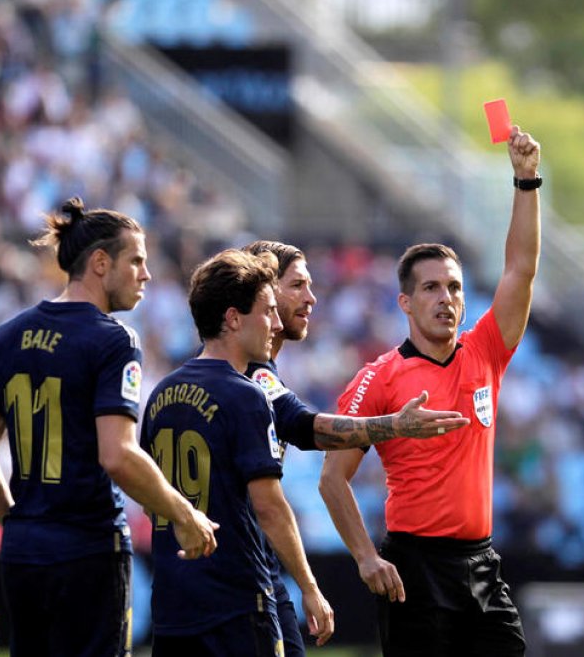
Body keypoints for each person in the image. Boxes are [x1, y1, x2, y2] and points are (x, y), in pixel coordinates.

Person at [319, 125, 541, 656]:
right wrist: (366, 558)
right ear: (406, 303)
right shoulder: (379, 376)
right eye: (431, 288)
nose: (446, 298)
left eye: (455, 287)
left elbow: (520, 268)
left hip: (483, 564)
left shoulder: (485, 349)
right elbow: (333, 478)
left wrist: (526, 181)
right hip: (415, 568)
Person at [0, 198, 217, 657]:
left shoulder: (7, 336)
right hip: (88, 549)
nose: (146, 274)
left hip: (24, 555)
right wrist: (185, 513)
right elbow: (117, 454)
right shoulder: (113, 340)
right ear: (101, 263)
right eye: (136, 260)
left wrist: (18, 524)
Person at [242, 240, 470, 656]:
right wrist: (394, 425)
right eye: (297, 285)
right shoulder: (248, 379)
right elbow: (307, 430)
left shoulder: (241, 372)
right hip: (240, 578)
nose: (311, 297)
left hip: (244, 572)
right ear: (263, 294)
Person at [141, 249, 333, 656]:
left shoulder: (161, 395)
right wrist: (310, 588)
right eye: (267, 311)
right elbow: (270, 508)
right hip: (236, 602)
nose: (276, 323)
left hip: (173, 602)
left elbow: (149, 495)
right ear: (232, 318)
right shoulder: (245, 396)